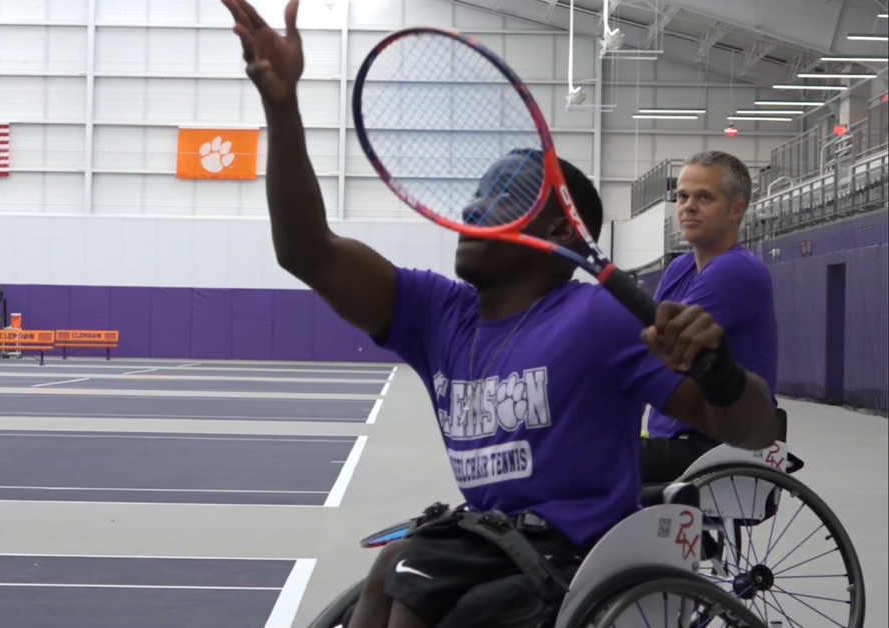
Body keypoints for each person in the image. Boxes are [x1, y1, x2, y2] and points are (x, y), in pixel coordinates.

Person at [220, 2, 779, 627]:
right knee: (391, 572)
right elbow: (306, 250)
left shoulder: (597, 321)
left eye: (503, 195)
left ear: (556, 230)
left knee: (416, 586)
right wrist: (280, 104)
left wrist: (723, 376)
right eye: (477, 192)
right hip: (491, 540)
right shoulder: (436, 315)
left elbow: (753, 430)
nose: (475, 206)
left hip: (577, 559)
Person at [641, 151, 779, 483]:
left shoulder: (736, 270)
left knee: (580, 459)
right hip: (671, 439)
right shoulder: (680, 267)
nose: (688, 205)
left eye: (704, 197)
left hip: (715, 446)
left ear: (736, 209)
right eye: (683, 196)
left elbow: (653, 349)